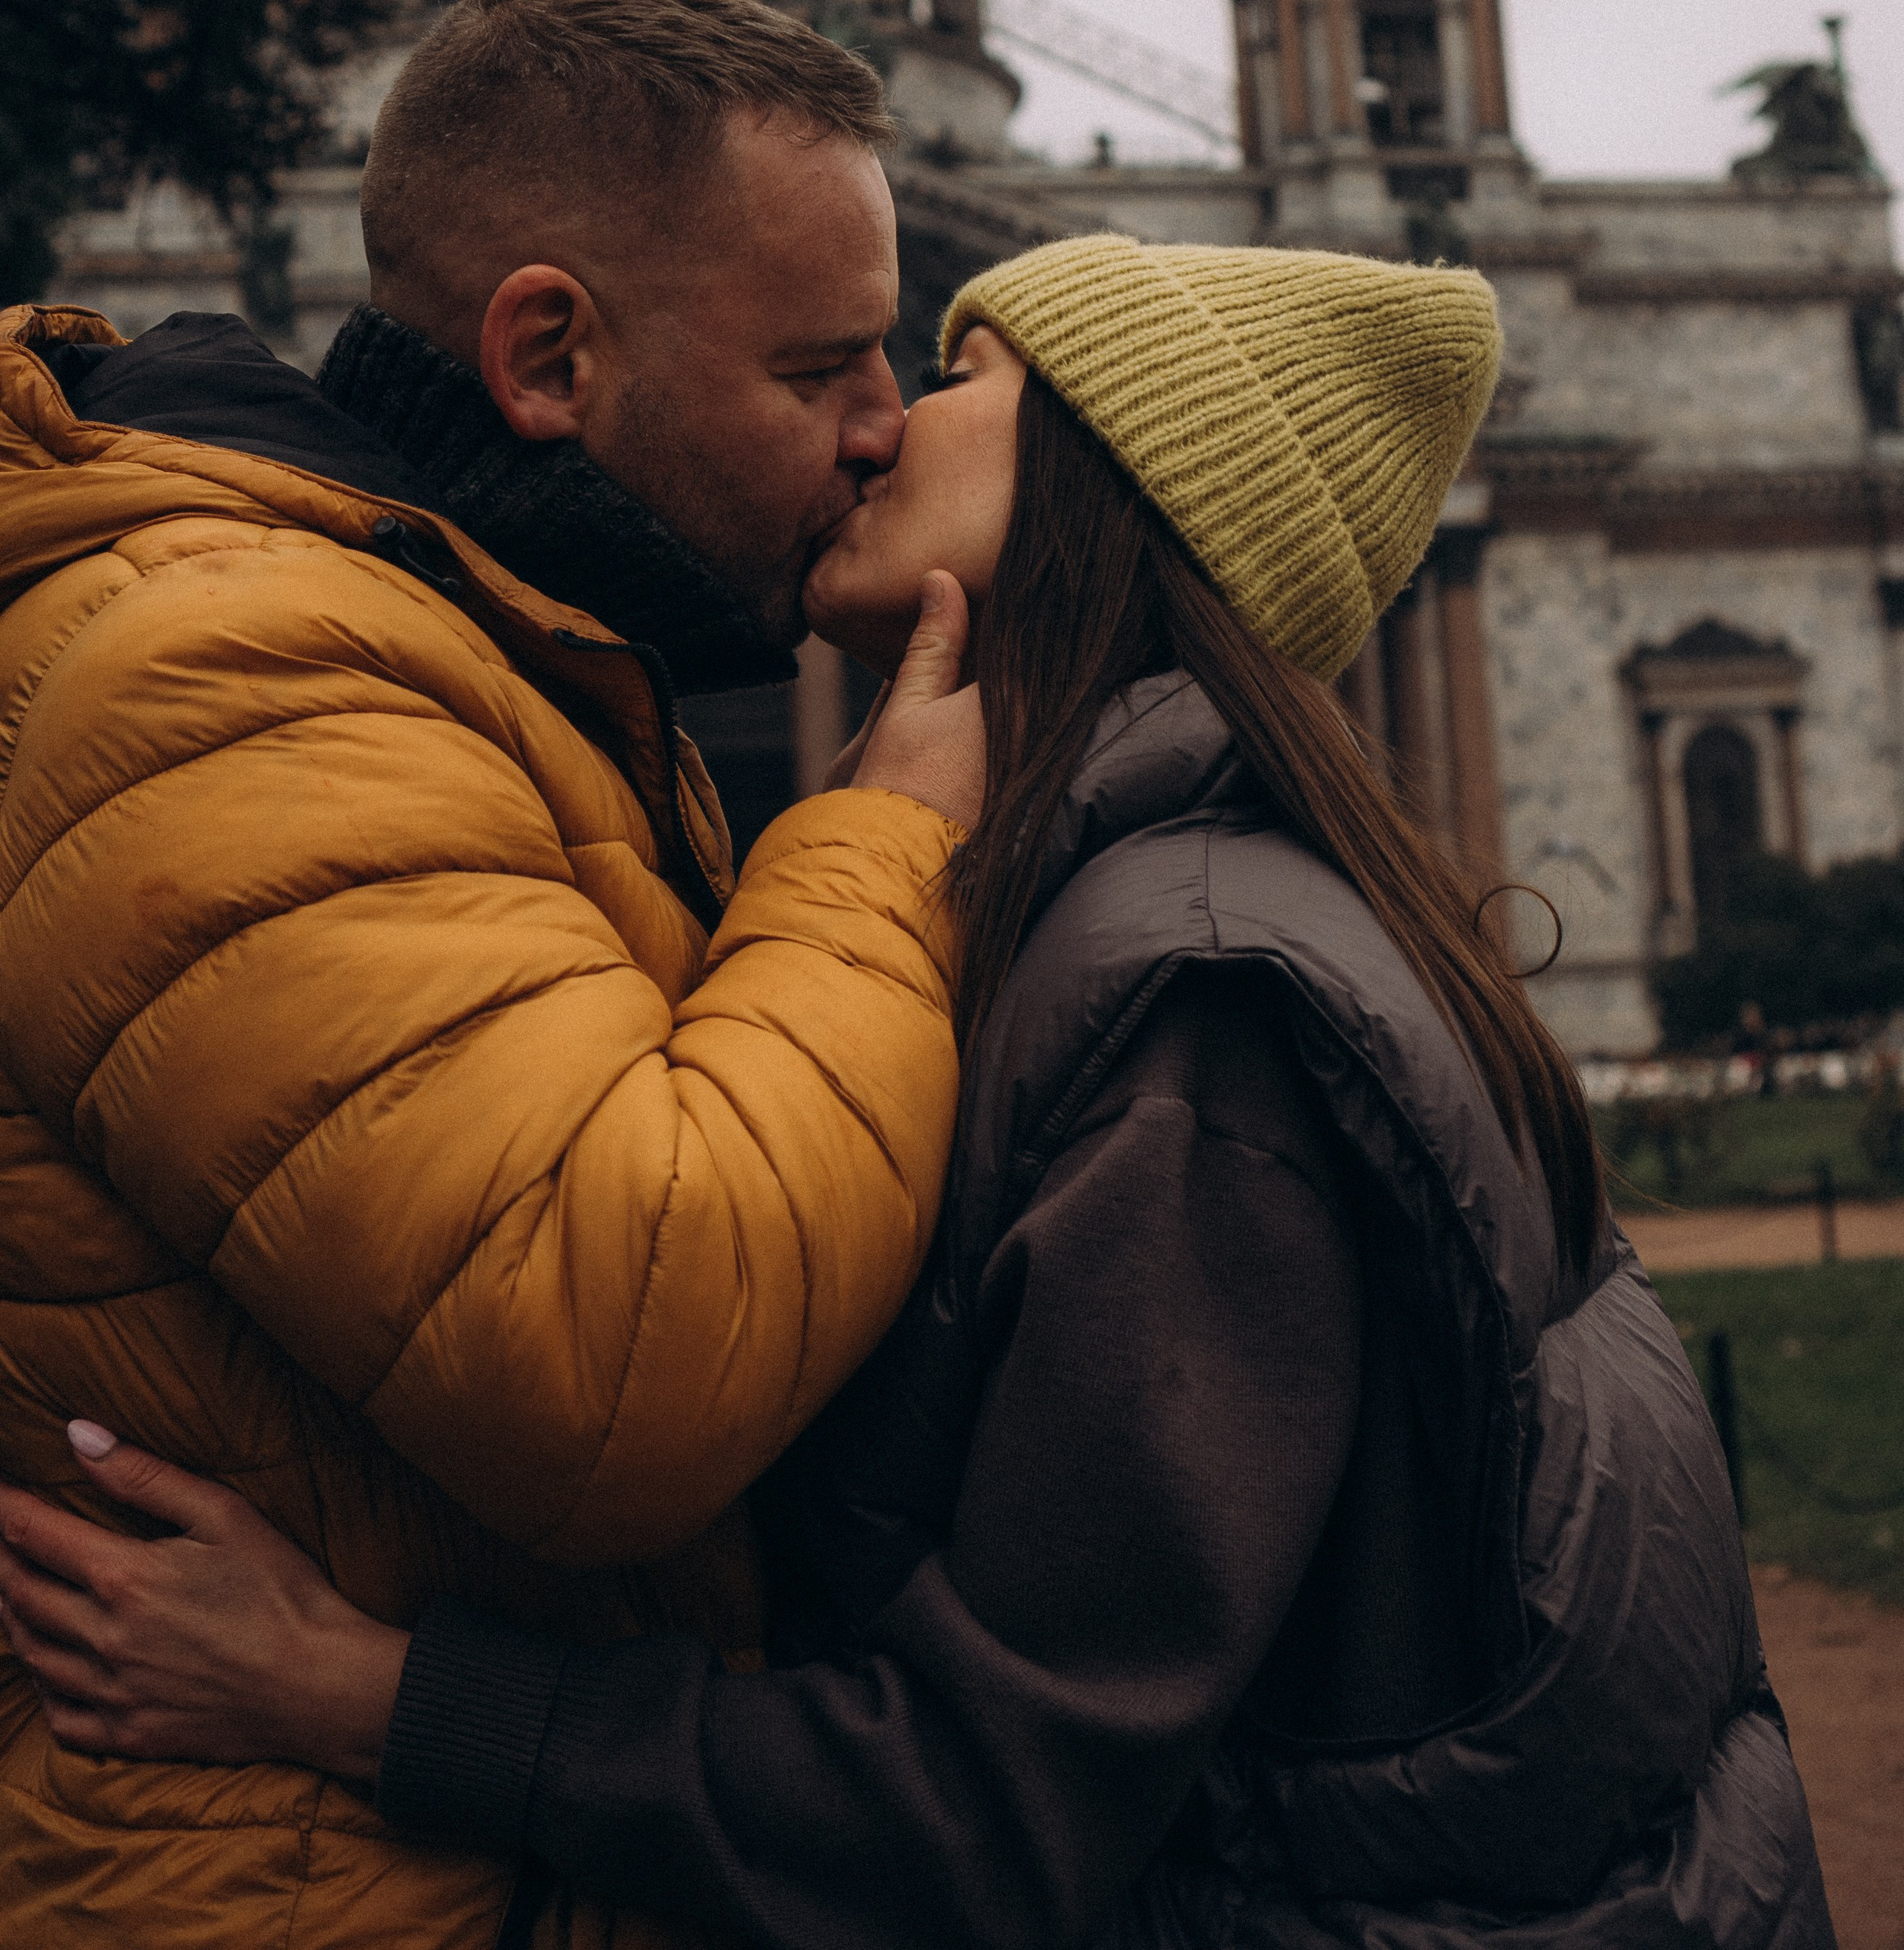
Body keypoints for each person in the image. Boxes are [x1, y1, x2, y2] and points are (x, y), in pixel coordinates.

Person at [0, 234, 1833, 1950]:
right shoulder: (1106, 924)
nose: (878, 415)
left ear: (1108, 490)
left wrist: (362, 1687)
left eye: (961, 372)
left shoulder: (1188, 1013)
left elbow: (981, 1805)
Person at [0, 0, 983, 1946]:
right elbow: (621, 1346)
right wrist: (884, 840)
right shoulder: (235, 671)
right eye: (824, 370)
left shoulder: (481, 653)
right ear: (551, 360)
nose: (891, 433)